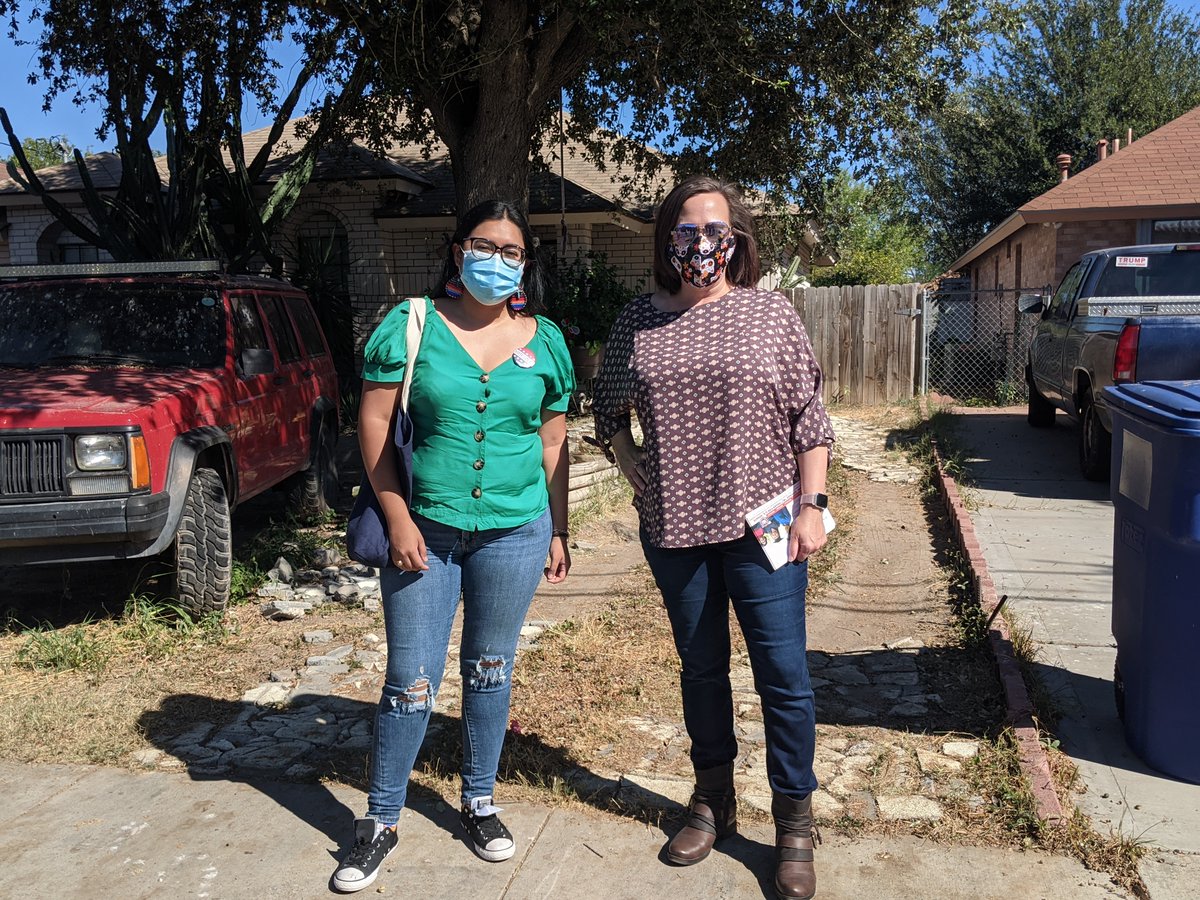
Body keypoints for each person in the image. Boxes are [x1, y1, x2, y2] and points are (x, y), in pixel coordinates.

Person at [592, 175, 835, 900]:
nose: (701, 242)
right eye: (686, 229)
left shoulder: (770, 314)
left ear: (737, 241)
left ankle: (794, 823)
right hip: (675, 528)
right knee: (701, 672)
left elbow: (808, 417)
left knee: (783, 678)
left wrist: (813, 504)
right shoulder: (639, 319)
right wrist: (630, 460)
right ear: (666, 239)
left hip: (765, 524)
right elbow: (607, 408)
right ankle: (713, 803)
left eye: (714, 230)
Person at [332, 200, 575, 893]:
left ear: (525, 264)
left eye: (511, 251)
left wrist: (558, 528)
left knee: (492, 669)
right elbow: (374, 426)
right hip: (425, 534)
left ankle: (479, 802)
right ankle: (379, 820)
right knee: (411, 680)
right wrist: (398, 517)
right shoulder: (410, 327)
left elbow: (552, 439)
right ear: (456, 250)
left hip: (516, 532)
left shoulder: (546, 340)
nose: (496, 261)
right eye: (484, 246)